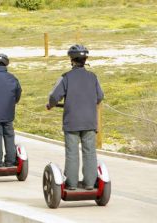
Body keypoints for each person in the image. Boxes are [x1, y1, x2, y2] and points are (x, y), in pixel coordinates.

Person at [47, 44, 104, 190]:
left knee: (72, 152)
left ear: (71, 60)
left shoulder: (66, 77)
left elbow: (54, 96)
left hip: (72, 121)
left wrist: (51, 104)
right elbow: (100, 96)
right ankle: (90, 183)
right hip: (90, 121)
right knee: (90, 152)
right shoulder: (93, 77)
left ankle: (71, 184)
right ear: (85, 59)